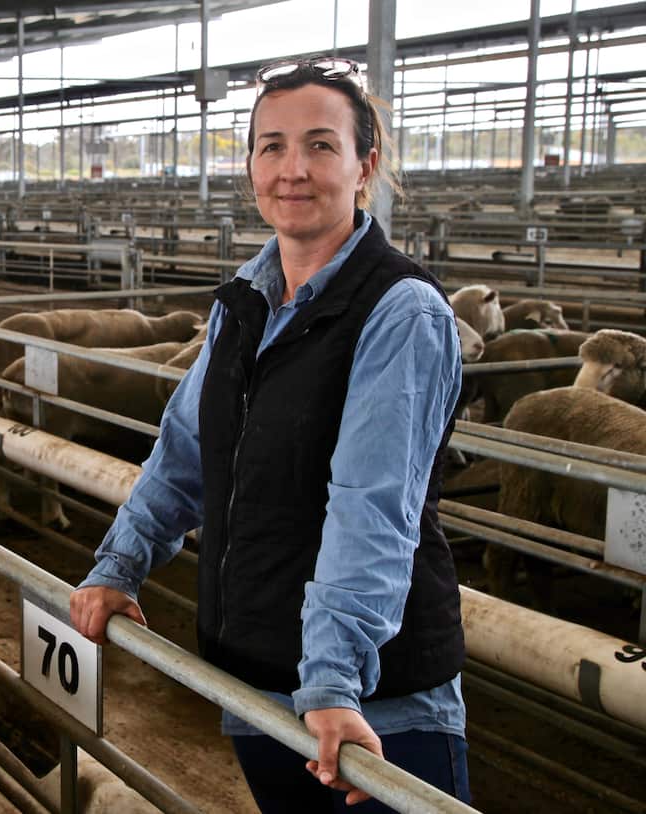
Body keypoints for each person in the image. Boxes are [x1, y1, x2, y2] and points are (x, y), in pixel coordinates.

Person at [69, 56, 471, 812]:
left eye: (321, 145)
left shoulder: (400, 311)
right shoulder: (243, 303)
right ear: (251, 166)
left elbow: (371, 507)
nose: (294, 169)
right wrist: (117, 565)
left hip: (366, 708)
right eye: (272, 146)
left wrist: (331, 681)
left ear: (365, 167)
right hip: (256, 682)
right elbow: (184, 454)